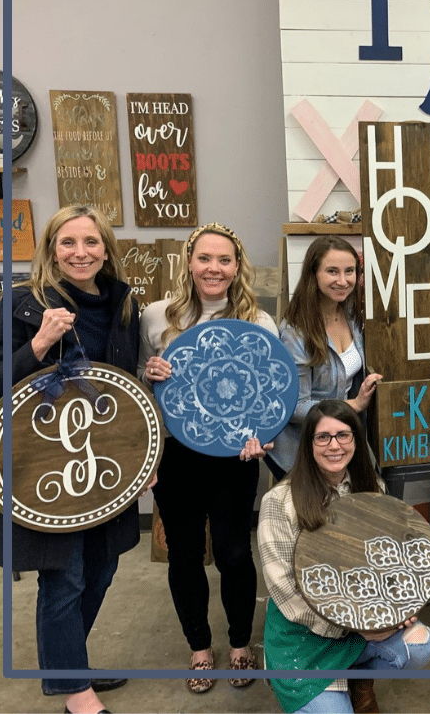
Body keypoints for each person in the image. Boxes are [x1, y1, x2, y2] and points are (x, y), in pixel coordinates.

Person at [0, 206, 142, 714]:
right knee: (66, 574)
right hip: (45, 470)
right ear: (51, 249)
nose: (81, 253)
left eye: (91, 243)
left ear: (106, 249)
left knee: (101, 569)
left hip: (104, 466)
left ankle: (69, 661)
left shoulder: (123, 305)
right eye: (68, 243)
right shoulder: (23, 304)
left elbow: (124, 391)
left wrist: (145, 451)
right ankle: (75, 693)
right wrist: (39, 344)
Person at [140, 221, 276, 693]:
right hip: (177, 455)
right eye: (204, 258)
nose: (213, 268)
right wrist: (150, 373)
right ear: (189, 262)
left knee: (236, 552)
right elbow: (142, 389)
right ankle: (200, 647)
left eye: (223, 260)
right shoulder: (156, 316)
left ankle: (240, 644)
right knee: (184, 554)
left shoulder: (258, 322)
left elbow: (268, 393)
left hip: (234, 456)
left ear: (237, 267)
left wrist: (264, 435)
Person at [258, 400, 430, 713]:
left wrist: (398, 608)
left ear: (355, 438)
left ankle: (356, 676)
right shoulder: (279, 502)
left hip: (359, 624)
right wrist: (355, 628)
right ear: (308, 444)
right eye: (323, 437)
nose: (334, 445)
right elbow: (286, 593)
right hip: (304, 640)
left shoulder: (372, 488)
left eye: (343, 435)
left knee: (420, 645)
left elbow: (391, 562)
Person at [269, 236, 383, 480]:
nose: (343, 281)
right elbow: (294, 408)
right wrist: (354, 405)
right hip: (302, 451)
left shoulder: (350, 313)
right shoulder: (295, 333)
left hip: (340, 442)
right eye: (332, 271)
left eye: (349, 271)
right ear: (314, 274)